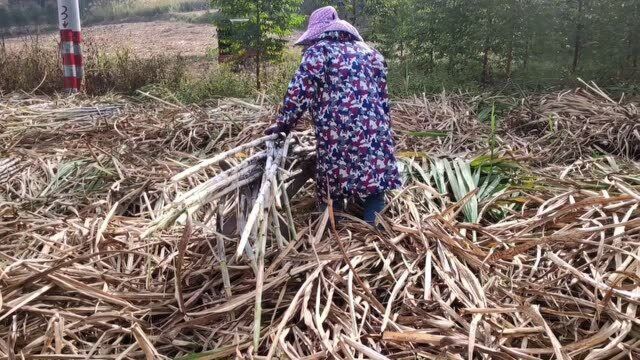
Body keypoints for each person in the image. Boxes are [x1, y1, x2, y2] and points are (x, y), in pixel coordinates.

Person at [265, 6, 401, 225]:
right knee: (375, 184)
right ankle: (376, 233)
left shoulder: (319, 52)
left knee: (334, 184)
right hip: (376, 131)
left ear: (318, 34)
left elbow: (300, 91)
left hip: (338, 133)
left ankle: (332, 230)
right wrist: (383, 128)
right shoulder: (372, 54)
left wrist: (284, 124)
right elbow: (384, 99)